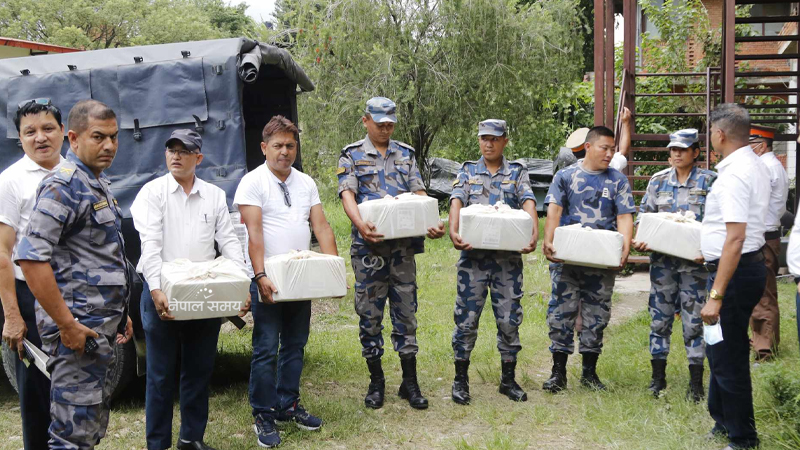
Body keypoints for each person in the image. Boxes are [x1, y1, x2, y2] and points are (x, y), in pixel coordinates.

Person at [14, 99, 133, 450]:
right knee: (71, 437)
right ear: (74, 138)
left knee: (88, 430)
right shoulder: (62, 185)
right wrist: (66, 324)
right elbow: (31, 259)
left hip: (99, 331)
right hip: (76, 337)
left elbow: (101, 257)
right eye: (99, 137)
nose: (109, 145)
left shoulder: (96, 183)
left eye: (114, 137)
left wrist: (121, 314)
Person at [130, 129, 250, 450]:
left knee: (199, 369)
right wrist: (156, 289)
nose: (176, 156)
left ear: (198, 157)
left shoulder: (213, 195)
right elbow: (150, 246)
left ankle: (190, 439)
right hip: (162, 293)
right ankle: (157, 444)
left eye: (185, 151)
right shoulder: (151, 193)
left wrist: (241, 285)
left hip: (203, 292)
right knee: (160, 375)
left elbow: (229, 243)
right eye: (172, 150)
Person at [235, 115, 339, 448]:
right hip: (269, 277)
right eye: (278, 146)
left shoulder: (306, 182)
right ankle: (263, 414)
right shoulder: (252, 182)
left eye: (290, 145)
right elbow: (254, 233)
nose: (284, 152)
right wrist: (260, 275)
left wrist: (335, 273)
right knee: (266, 348)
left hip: (301, 276)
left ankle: (287, 404)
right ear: (264, 147)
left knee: (295, 344)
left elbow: (321, 227)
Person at [337, 97, 445, 411]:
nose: (385, 128)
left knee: (406, 314)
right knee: (370, 316)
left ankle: (409, 382)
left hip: (402, 251)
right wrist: (360, 225)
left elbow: (419, 193)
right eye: (380, 123)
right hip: (369, 250)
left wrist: (430, 222)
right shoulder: (352, 154)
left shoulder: (406, 153)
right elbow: (347, 194)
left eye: (390, 124)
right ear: (365, 120)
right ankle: (376, 381)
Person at [447, 119, 538, 405]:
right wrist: (453, 230)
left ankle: (508, 380)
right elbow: (456, 201)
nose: (489, 143)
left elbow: (528, 202)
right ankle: (460, 380)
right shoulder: (468, 170)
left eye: (495, 139)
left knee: (509, 320)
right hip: (473, 260)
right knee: (466, 320)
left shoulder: (517, 172)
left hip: (507, 263)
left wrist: (533, 232)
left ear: (505, 141)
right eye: (484, 138)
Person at [541, 126, 635, 393]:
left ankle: (589, 373)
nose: (609, 153)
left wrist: (624, 248)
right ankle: (557, 373)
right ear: (588, 147)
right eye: (604, 148)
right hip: (567, 259)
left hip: (601, 261)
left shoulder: (617, 180)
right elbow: (554, 210)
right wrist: (549, 241)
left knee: (597, 315)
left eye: (612, 149)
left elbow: (625, 216)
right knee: (561, 313)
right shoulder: (566, 176)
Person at [700, 103, 770, 450]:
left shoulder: (734, 174)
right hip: (743, 266)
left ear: (720, 134)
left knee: (728, 358)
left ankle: (743, 438)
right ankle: (723, 420)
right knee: (719, 348)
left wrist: (716, 295)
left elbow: (736, 237)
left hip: (735, 271)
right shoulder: (754, 164)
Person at [632, 128, 717, 401]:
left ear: (695, 152)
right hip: (663, 266)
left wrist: (709, 250)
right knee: (660, 320)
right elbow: (643, 219)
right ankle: (658, 379)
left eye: (682, 149)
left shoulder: (710, 182)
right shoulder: (658, 182)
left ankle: (696, 384)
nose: (676, 154)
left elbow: (718, 224)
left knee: (694, 323)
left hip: (695, 267)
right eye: (673, 149)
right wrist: (641, 239)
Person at [0, 98, 64, 449]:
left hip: (77, 297)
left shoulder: (77, 173)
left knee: (78, 394)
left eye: (47, 128)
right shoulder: (11, 182)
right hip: (32, 300)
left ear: (62, 132)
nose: (40, 137)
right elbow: (2, 252)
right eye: (30, 132)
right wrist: (12, 315)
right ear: (20, 138)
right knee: (37, 396)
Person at [748, 125, 788, 362]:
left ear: (762, 145)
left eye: (751, 143)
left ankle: (764, 350)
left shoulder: (764, 167)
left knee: (763, 294)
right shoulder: (774, 165)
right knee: (763, 292)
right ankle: (764, 344)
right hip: (767, 235)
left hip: (762, 238)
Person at [552, 107, 632, 174]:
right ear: (588, 146)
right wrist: (626, 123)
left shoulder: (566, 173)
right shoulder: (608, 165)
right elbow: (624, 151)